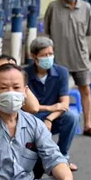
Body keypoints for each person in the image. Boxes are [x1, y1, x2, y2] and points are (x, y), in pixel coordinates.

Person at [44, 0, 91, 139]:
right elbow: (47, 32)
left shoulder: (86, 8)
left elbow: (88, 31)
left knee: (85, 89)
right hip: (58, 59)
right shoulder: (53, 7)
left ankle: (88, 125)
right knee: (55, 93)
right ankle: (50, 125)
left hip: (80, 57)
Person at [25, 37, 79, 172]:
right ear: (34, 56)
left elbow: (64, 103)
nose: (48, 58)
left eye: (50, 54)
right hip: (32, 116)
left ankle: (62, 158)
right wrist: (49, 108)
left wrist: (50, 118)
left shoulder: (61, 72)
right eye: (44, 55)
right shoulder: (24, 74)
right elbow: (24, 106)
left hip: (53, 117)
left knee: (72, 117)